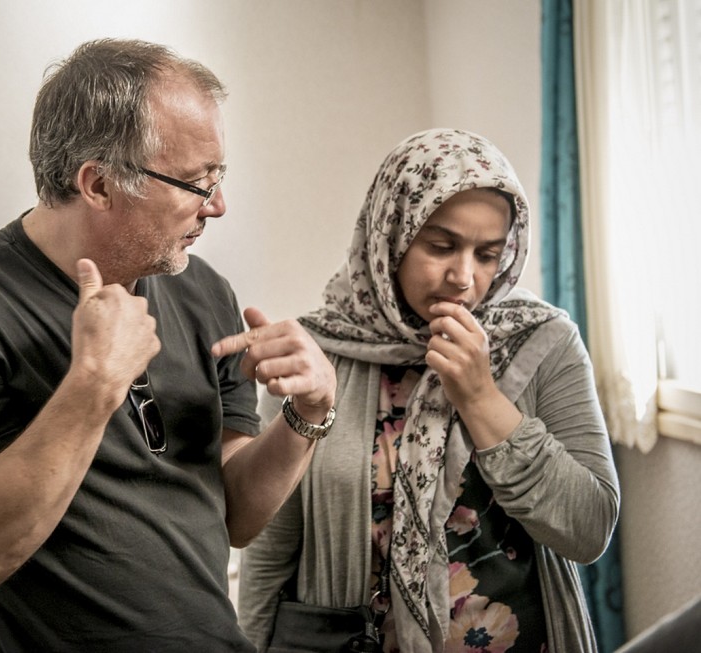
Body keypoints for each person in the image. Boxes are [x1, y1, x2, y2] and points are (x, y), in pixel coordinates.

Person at [0, 38, 336, 652]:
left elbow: (235, 518)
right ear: (98, 184)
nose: (219, 205)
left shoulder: (205, 291)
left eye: (218, 174)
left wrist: (307, 415)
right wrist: (93, 385)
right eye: (196, 181)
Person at [237, 128, 620, 653]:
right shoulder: (319, 352)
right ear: (391, 237)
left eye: (488, 254)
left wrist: (481, 396)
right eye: (441, 246)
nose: (464, 277)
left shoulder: (541, 344)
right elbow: (269, 546)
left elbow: (590, 528)